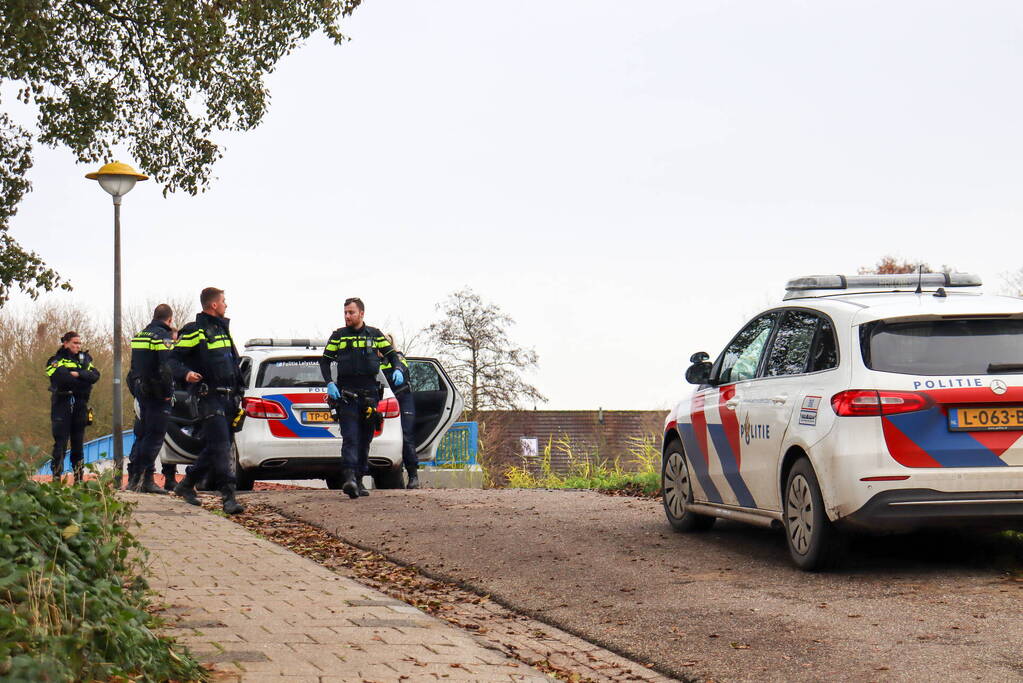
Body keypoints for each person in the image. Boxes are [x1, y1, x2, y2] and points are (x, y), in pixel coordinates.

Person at [168, 287, 245, 514]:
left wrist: (240, 392)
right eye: (223, 301)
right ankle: (228, 497)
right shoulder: (196, 331)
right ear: (213, 305)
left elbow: (232, 364)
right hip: (209, 397)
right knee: (221, 447)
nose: (226, 305)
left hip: (229, 398)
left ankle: (186, 484)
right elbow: (172, 361)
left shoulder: (222, 330)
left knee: (215, 447)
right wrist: (186, 374)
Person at [319, 297, 403, 499]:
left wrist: (397, 369)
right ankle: (348, 478)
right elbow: (325, 362)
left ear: (361, 314)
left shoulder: (374, 335)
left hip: (370, 396)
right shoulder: (339, 336)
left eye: (351, 312)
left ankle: (358, 478)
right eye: (345, 312)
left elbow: (392, 355)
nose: (347, 316)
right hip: (347, 394)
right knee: (350, 437)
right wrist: (330, 383)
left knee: (365, 438)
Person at [125, 304, 175, 494]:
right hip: (157, 394)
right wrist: (167, 392)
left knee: (142, 435)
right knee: (154, 437)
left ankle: (135, 479)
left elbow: (133, 368)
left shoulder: (140, 336)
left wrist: (136, 390)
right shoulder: (163, 336)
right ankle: (144, 479)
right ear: (169, 319)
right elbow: (166, 367)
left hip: (141, 391)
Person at [45, 331, 100, 483]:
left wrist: (78, 374)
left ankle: (78, 479)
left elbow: (95, 375)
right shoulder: (55, 360)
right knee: (60, 443)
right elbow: (61, 379)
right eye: (75, 343)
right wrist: (82, 378)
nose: (78, 346)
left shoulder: (85, 358)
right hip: (62, 403)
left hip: (80, 405)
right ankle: (56, 478)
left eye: (79, 343)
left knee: (78, 444)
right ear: (66, 343)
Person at [381, 334, 419, 489]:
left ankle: (413, 476)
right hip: (384, 401)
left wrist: (397, 370)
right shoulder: (373, 360)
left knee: (405, 435)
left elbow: (401, 365)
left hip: (403, 399)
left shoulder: (398, 357)